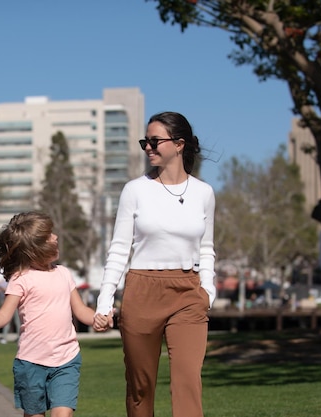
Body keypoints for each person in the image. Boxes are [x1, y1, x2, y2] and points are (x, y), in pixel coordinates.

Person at [93, 111, 216, 417]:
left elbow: (208, 248)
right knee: (140, 387)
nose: (148, 147)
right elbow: (119, 249)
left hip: (188, 293)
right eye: (145, 141)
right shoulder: (135, 190)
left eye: (154, 141)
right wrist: (104, 300)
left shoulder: (204, 193)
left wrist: (208, 292)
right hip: (142, 290)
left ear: (179, 144)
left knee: (188, 381)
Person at [0, 211, 108, 417]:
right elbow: (3, 315)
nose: (55, 237)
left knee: (63, 414)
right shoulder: (21, 279)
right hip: (31, 362)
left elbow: (80, 310)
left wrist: (97, 318)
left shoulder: (63, 273)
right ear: (35, 249)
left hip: (67, 359)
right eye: (49, 236)